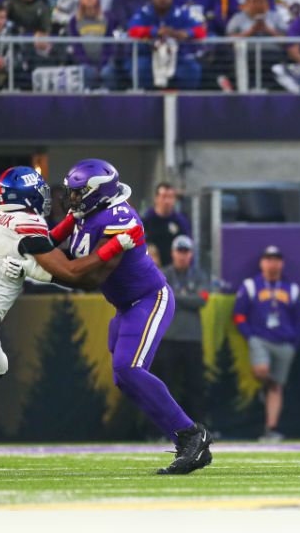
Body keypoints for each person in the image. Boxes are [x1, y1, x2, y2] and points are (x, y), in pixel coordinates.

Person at [0, 166, 134, 478]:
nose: (45, 197)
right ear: (26, 194)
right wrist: (114, 246)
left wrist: (65, 229)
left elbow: (40, 252)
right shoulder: (25, 222)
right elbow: (69, 272)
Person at [56, 158, 214, 475]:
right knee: (124, 377)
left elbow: (89, 277)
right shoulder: (86, 215)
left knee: (128, 368)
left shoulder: (120, 218)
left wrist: (36, 272)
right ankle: (185, 438)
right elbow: (47, 243)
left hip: (149, 298)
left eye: (79, 192)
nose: (72, 199)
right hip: (126, 306)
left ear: (98, 192)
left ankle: (192, 437)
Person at [234, 245, 300, 443]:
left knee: (277, 386)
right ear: (261, 263)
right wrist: (250, 336)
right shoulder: (251, 286)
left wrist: (294, 343)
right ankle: (262, 390)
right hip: (260, 338)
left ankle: (271, 427)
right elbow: (239, 315)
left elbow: (299, 320)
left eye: (276, 259)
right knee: (263, 371)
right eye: (268, 259)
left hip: (284, 342)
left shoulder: (292, 289)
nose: (272, 263)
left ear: (281, 263)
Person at [157, 235, 208, 427]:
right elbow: (161, 296)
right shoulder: (164, 274)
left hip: (192, 339)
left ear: (191, 254)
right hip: (168, 338)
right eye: (180, 251)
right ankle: (163, 428)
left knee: (195, 385)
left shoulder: (199, 275)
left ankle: (198, 427)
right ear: (173, 253)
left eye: (186, 252)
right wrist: (187, 297)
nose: (183, 256)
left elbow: (202, 299)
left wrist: (176, 296)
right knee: (166, 386)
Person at [126, 0, 206, 90]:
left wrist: (186, 33)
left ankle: (184, 100)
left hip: (177, 57)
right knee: (139, 68)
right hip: (148, 56)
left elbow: (201, 31)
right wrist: (154, 31)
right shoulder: (144, 12)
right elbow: (132, 30)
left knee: (193, 69)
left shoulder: (180, 13)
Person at [141, 182, 191, 269]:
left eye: (170, 197)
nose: (167, 201)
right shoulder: (146, 220)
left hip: (174, 273)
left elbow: (188, 247)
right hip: (150, 270)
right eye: (164, 197)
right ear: (156, 198)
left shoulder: (180, 221)